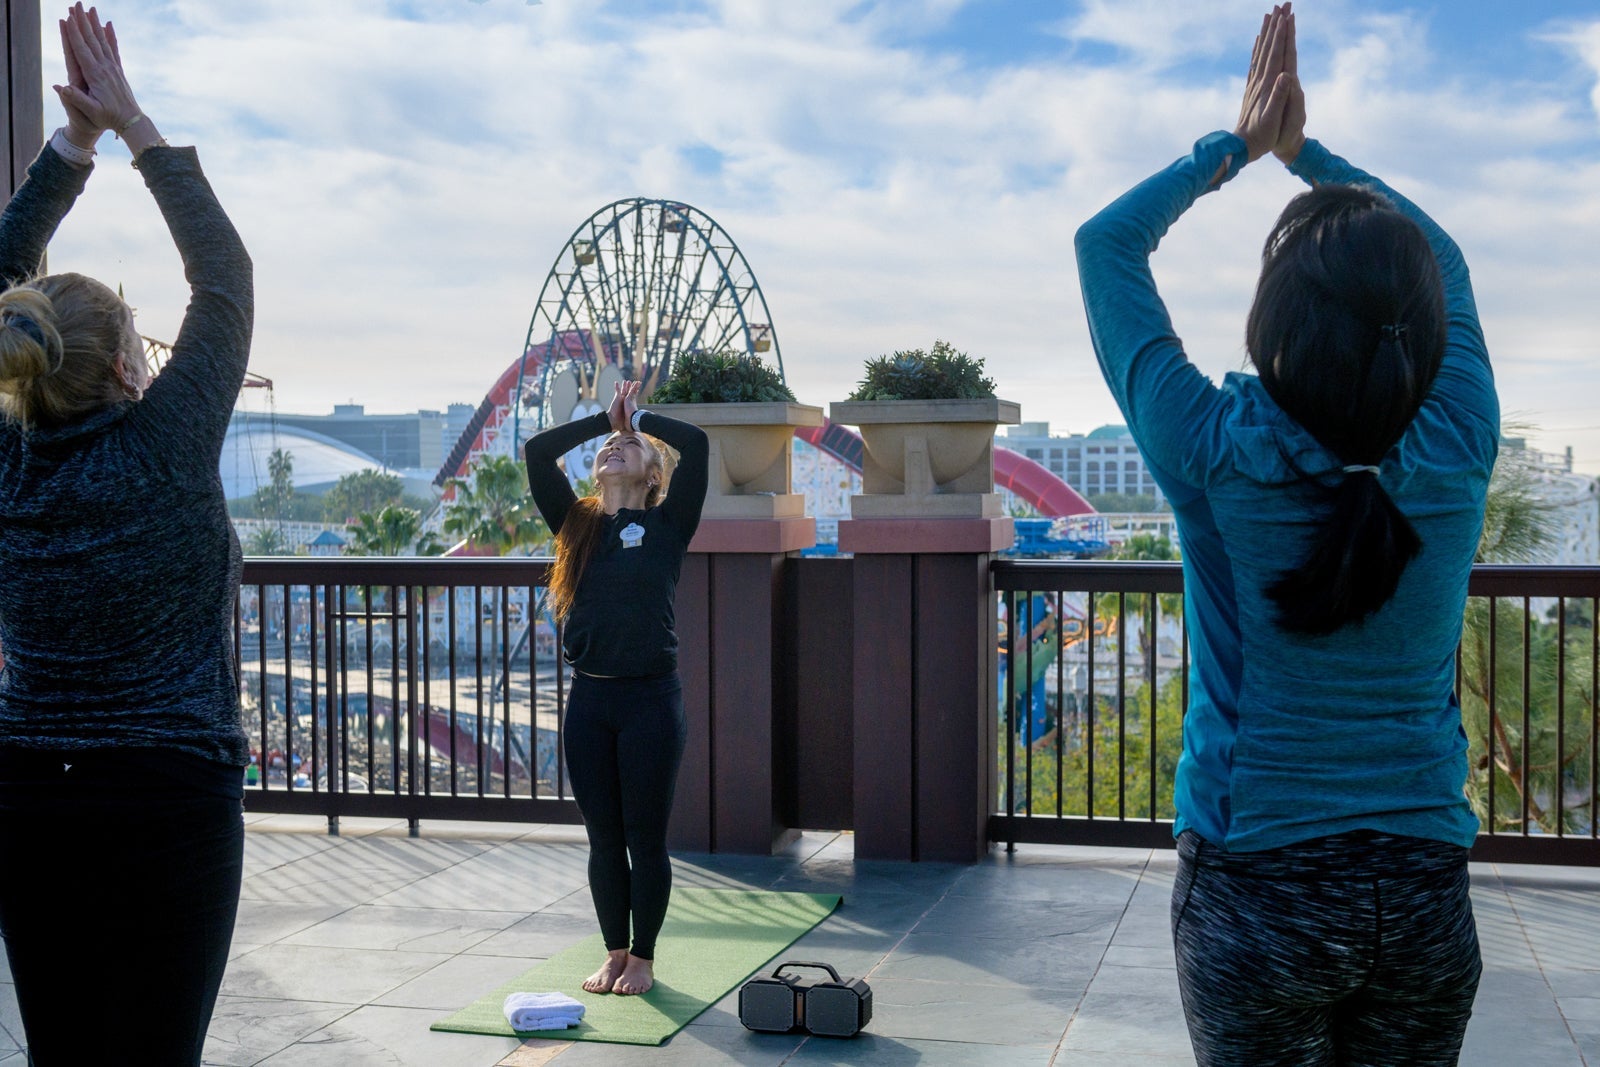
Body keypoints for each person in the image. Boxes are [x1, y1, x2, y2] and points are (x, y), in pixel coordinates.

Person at [1075, 5, 1494, 1064]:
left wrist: (1240, 148)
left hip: (1255, 891)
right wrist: (1313, 157)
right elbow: (1436, 250)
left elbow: (1105, 245)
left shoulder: (1215, 450)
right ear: (1422, 327)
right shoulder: (1456, 444)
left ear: (1273, 325)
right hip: (1424, 892)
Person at [0, 6, 253, 1064]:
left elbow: (215, 285)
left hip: (26, 796)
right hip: (168, 798)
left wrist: (73, 152)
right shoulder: (167, 446)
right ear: (122, 368)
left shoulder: (9, 471)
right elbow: (226, 277)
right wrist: (127, 124)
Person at [524, 380, 707, 996]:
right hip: (591, 701)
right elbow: (536, 453)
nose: (614, 448)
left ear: (655, 473)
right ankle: (615, 951)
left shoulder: (668, 523)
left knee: (645, 839)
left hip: (651, 701)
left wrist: (641, 417)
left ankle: (646, 960)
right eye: (608, 447)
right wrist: (604, 421)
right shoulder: (575, 524)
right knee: (604, 840)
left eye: (629, 446)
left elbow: (699, 445)